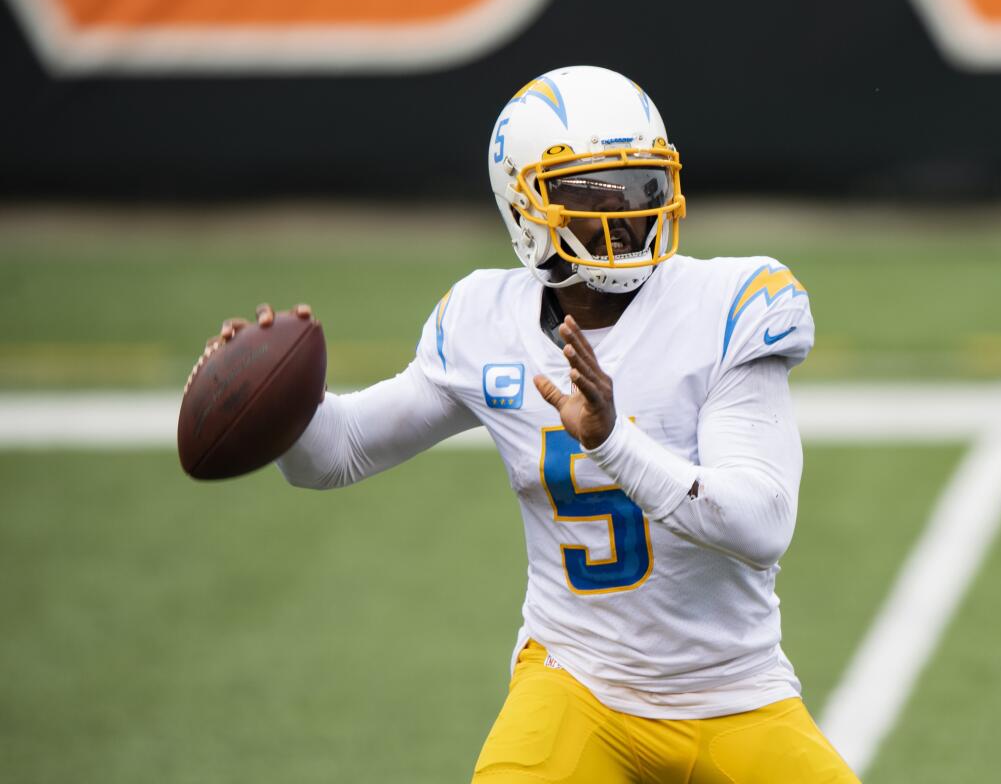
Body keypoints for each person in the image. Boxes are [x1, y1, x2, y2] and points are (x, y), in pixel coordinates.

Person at [210, 66, 860, 783]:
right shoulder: (484, 320)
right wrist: (276, 399)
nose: (626, 210)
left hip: (737, 693)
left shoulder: (733, 301)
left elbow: (760, 523)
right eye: (590, 190)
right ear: (523, 205)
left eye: (641, 182)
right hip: (577, 681)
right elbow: (334, 455)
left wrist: (613, 441)